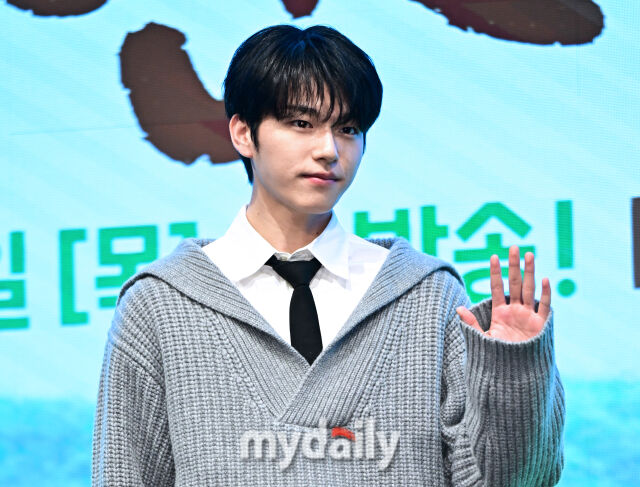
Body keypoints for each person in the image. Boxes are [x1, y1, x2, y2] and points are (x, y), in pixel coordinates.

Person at [92, 25, 565, 486]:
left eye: (348, 128)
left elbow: (510, 480)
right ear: (243, 133)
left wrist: (515, 373)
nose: (329, 150)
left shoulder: (427, 295)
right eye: (301, 124)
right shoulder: (161, 305)